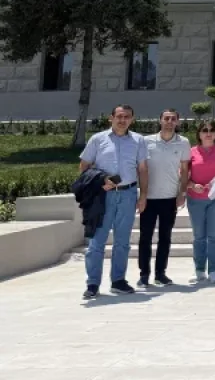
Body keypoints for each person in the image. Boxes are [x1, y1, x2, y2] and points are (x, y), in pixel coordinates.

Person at [79, 104, 148, 299]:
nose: (122, 120)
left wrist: (143, 196)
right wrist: (99, 181)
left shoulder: (138, 140)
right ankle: (92, 284)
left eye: (127, 117)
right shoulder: (98, 139)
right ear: (111, 118)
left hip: (128, 194)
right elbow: (84, 166)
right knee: (96, 242)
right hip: (103, 196)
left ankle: (118, 280)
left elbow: (143, 169)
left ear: (131, 120)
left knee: (122, 242)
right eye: (119, 116)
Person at [138, 108, 190, 287]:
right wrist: (142, 195)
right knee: (145, 237)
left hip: (170, 198)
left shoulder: (183, 143)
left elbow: (184, 171)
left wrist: (182, 193)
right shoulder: (146, 141)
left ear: (177, 122)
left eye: (173, 119)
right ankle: (144, 274)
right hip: (149, 197)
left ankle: (161, 274)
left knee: (165, 237)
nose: (169, 121)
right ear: (160, 120)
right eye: (166, 118)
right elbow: (141, 168)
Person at [185, 118, 215, 283]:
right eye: (204, 130)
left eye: (211, 130)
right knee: (199, 236)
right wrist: (192, 185)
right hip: (195, 198)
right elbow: (183, 175)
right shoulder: (190, 152)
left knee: (214, 235)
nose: (208, 133)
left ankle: (214, 270)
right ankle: (199, 270)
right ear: (199, 134)